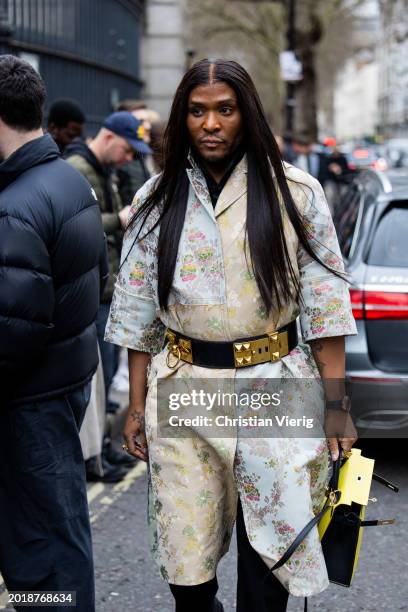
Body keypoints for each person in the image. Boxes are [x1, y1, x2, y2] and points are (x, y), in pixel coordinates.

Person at [105, 59, 358, 611]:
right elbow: (136, 314)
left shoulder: (297, 193)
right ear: (182, 119)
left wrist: (337, 406)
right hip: (186, 389)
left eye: (225, 110)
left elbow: (326, 309)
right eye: (198, 112)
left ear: (247, 115)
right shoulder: (156, 199)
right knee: (187, 572)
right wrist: (135, 404)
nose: (211, 124)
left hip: (277, 385)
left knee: (268, 568)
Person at [0, 55, 107, 611]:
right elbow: (98, 282)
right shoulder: (67, 181)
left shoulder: (16, 205)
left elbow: (11, 333)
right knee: (60, 539)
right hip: (63, 389)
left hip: (27, 407)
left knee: (40, 557)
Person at [65, 111, 150, 480]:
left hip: (107, 287)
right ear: (111, 136)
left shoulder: (100, 170)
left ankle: (102, 451)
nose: (129, 159)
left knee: (108, 373)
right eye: (128, 150)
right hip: (94, 291)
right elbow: (76, 219)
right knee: (95, 379)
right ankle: (93, 458)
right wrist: (121, 218)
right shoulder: (78, 170)